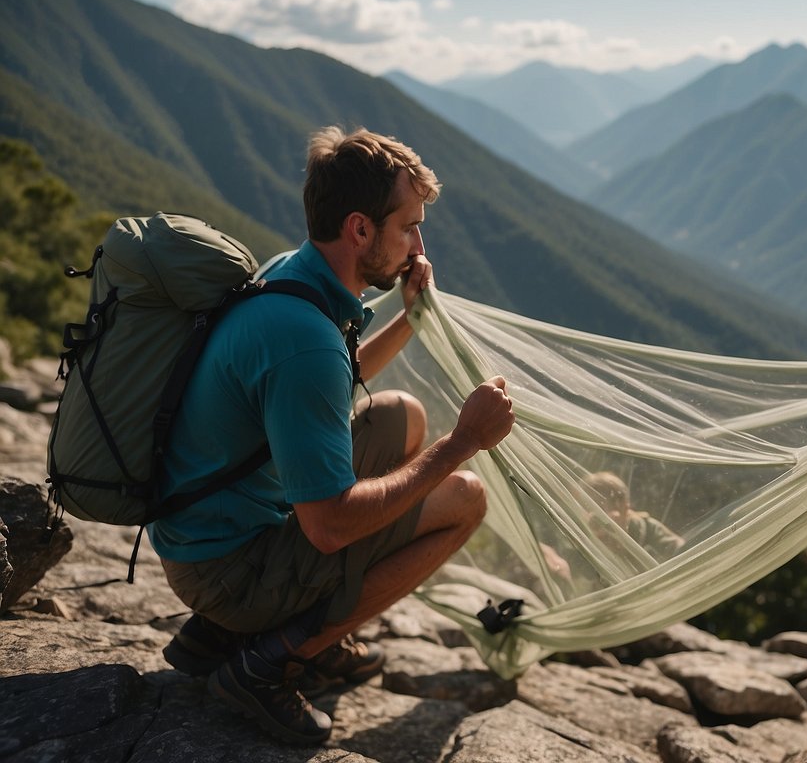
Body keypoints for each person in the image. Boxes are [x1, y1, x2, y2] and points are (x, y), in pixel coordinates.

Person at [148, 126, 515, 745]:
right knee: (466, 498)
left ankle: (223, 634)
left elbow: (332, 380)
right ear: (360, 229)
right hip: (226, 571)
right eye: (409, 226)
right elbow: (329, 526)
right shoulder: (305, 341)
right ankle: (270, 662)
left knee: (400, 413)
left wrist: (410, 316)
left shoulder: (291, 275)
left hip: (204, 531)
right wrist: (464, 441)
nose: (419, 243)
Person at [583, 471, 684, 560]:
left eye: (619, 501)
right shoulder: (583, 536)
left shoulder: (647, 528)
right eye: (598, 507)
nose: (612, 514)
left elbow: (680, 551)